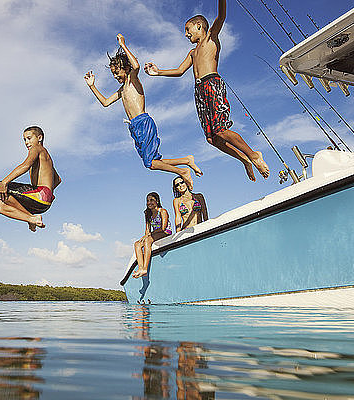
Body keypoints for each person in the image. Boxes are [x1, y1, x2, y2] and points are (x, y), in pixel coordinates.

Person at [144, 0, 270, 182]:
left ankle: (253, 155)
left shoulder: (211, 37)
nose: (186, 34)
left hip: (212, 84)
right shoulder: (192, 53)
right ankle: (244, 159)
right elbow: (180, 71)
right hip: (199, 91)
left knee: (220, 129)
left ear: (198, 26)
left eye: (188, 30)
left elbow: (221, 16)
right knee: (212, 139)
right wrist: (158, 72)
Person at [84, 33, 202, 190]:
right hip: (134, 127)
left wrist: (123, 45)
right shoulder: (121, 90)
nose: (115, 76)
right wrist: (92, 86)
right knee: (153, 161)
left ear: (126, 68)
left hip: (143, 122)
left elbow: (137, 66)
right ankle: (186, 160)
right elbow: (105, 102)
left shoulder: (133, 79)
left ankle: (183, 171)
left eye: (117, 72)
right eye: (113, 73)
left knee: (151, 163)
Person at [0, 126, 61, 232]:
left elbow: (26, 165)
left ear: (39, 138)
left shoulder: (37, 148)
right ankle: (31, 218)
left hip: (40, 195)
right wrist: (49, 194)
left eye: (29, 138)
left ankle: (32, 218)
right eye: (24, 140)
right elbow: (58, 180)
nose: (26, 142)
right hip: (44, 203)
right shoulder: (47, 157)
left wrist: (5, 181)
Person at [132, 192, 172, 279]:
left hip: (165, 232)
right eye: (147, 201)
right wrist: (145, 236)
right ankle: (141, 268)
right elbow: (147, 230)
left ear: (157, 201)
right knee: (137, 244)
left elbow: (163, 228)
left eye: (152, 200)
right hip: (154, 234)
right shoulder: (147, 213)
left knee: (147, 241)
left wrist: (149, 235)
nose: (149, 202)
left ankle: (145, 269)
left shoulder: (162, 211)